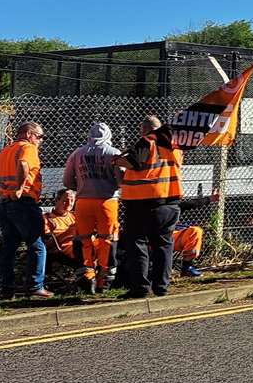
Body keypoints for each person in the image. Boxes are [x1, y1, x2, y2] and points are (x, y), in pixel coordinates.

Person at [114, 116, 183, 298]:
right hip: (170, 202)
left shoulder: (148, 141)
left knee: (138, 244)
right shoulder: (175, 146)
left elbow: (134, 162)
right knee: (164, 245)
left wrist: (117, 160)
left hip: (142, 202)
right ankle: (161, 287)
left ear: (144, 130)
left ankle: (140, 287)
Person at [0, 121, 50, 299]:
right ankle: (35, 286)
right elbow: (24, 165)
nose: (41, 141)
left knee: (8, 247)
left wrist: (0, 188)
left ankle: (7, 287)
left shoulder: (5, 151)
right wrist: (19, 188)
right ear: (29, 134)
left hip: (5, 202)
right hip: (24, 202)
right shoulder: (28, 148)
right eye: (39, 136)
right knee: (37, 244)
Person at [63, 122, 121, 294]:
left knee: (83, 239)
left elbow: (67, 182)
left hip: (83, 202)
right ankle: (105, 280)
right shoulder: (114, 153)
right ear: (108, 136)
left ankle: (87, 277)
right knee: (108, 238)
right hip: (107, 201)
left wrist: (81, 186)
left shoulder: (77, 154)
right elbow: (120, 179)